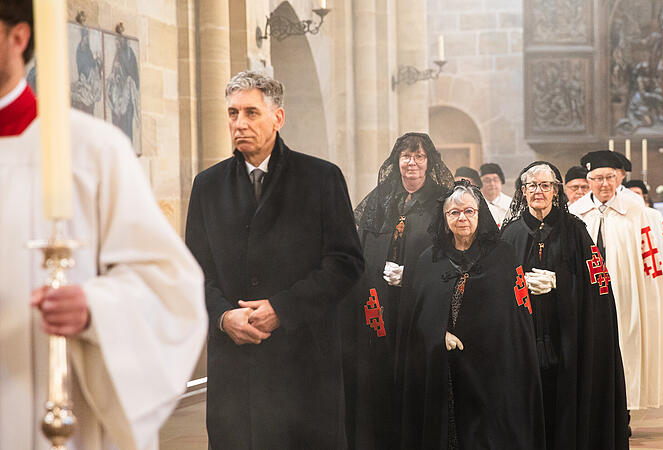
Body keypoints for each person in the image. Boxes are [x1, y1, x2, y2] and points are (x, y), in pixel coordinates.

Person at [0, 2, 207, 448]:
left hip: (50, 413)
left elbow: (171, 288)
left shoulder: (91, 150)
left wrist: (95, 308)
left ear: (17, 38)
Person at [185, 71, 364, 448]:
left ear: (277, 118)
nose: (239, 123)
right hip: (235, 370)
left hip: (303, 367)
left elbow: (346, 262)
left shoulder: (321, 178)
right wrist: (223, 316)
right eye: (233, 113)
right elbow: (193, 271)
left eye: (251, 112)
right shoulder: (208, 186)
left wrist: (283, 308)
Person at [400, 181, 546, 450]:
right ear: (444, 219)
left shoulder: (503, 255)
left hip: (492, 365)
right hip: (445, 365)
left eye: (469, 211)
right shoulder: (429, 259)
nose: (462, 218)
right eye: (454, 213)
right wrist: (438, 333)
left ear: (480, 214)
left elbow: (514, 317)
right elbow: (415, 313)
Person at [501, 162, 629, 450]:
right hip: (524, 336)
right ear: (523, 191)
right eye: (532, 185)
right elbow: (495, 286)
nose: (539, 191)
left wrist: (560, 283)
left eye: (545, 185)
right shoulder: (510, 234)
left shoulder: (575, 231)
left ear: (555, 190)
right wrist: (519, 285)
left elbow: (598, 284)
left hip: (568, 337)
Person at [343, 132, 453, 449]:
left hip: (419, 308)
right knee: (378, 378)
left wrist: (414, 276)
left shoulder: (442, 202)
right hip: (380, 306)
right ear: (396, 161)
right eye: (406, 156)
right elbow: (360, 248)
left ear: (429, 161)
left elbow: (452, 256)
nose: (412, 163)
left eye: (419, 156)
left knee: (413, 379)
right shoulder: (382, 198)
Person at [569, 151, 663, 413]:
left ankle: (624, 410)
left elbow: (649, 257)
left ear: (619, 178)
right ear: (589, 180)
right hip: (587, 295)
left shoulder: (635, 210)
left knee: (626, 348)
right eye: (598, 178)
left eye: (609, 177)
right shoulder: (575, 212)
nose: (604, 184)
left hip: (626, 293)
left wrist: (650, 297)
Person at [625, 180, 663, 345]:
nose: (633, 198)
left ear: (644, 197)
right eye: (630, 194)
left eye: (637, 194)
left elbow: (661, 246)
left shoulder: (653, 216)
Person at [480, 162, 512, 226]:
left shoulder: (511, 204)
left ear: (501, 182)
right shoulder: (475, 204)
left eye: (495, 180)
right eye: (487, 180)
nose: (492, 184)